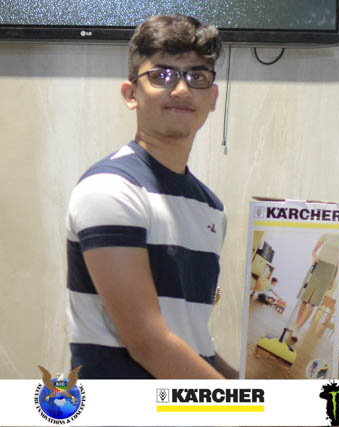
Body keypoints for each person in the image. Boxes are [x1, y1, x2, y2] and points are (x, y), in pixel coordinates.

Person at [65, 14, 237, 379]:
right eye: (162, 75)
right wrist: (244, 405)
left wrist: (251, 386)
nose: (182, 90)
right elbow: (148, 343)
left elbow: (192, 339)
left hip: (186, 405)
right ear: (131, 95)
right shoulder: (110, 189)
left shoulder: (211, 208)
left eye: (197, 76)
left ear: (213, 98)